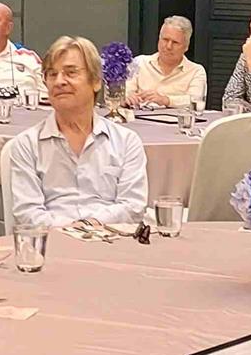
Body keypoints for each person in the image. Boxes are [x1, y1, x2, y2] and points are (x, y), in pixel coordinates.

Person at [10, 35, 149, 227]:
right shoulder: (26, 145)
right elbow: (28, 213)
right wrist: (71, 230)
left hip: (111, 239)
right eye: (52, 74)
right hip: (53, 240)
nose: (59, 81)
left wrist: (90, 225)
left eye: (70, 73)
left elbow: (133, 207)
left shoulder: (126, 142)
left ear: (96, 81)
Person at [126, 14, 207, 109]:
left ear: (186, 47)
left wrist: (166, 100)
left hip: (177, 118)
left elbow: (196, 102)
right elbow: (125, 92)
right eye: (165, 40)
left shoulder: (196, 71)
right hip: (139, 116)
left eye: (175, 42)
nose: (168, 46)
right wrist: (126, 98)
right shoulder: (139, 62)